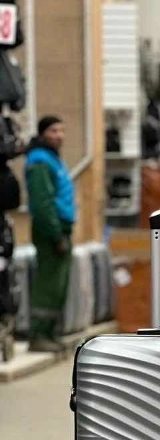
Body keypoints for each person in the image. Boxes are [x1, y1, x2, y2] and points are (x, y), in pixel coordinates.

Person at [25, 115, 75, 352]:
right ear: (42, 133)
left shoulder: (52, 159)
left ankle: (50, 333)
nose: (59, 136)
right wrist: (56, 235)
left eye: (61, 131)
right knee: (48, 283)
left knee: (58, 284)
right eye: (53, 131)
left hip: (61, 227)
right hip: (50, 229)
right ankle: (38, 334)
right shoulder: (40, 162)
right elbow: (42, 203)